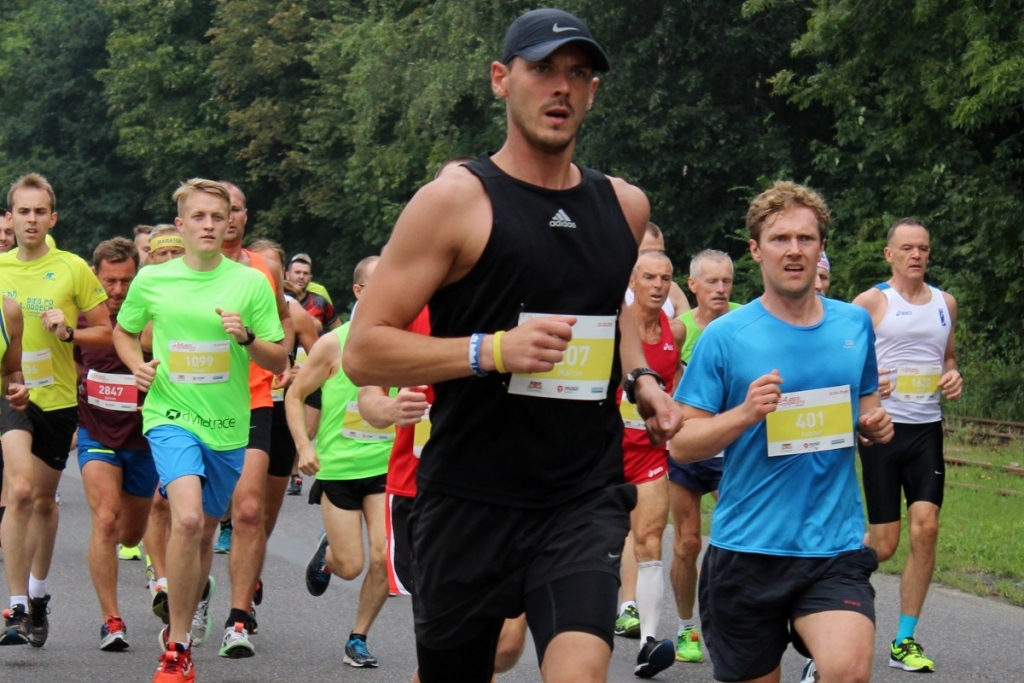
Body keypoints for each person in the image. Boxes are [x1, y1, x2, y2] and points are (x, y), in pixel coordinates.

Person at [343, 9, 680, 682]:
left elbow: (608, 311)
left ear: (592, 92)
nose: (561, 87)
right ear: (502, 79)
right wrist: (490, 351)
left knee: (581, 670)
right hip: (470, 497)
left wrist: (642, 380)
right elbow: (364, 351)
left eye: (578, 74)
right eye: (543, 69)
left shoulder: (624, 207)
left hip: (580, 494)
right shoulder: (455, 201)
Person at [669, 180, 893, 683]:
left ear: (821, 248)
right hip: (748, 548)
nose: (794, 250)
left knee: (849, 672)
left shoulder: (854, 325)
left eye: (806, 238)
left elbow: (867, 408)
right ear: (755, 250)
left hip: (833, 546)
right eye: (779, 239)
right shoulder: (726, 336)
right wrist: (744, 414)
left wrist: (875, 425)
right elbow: (681, 443)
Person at [113, 178, 286, 683]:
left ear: (230, 222)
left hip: (228, 425)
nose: (209, 225)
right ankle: (178, 646)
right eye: (199, 217)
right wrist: (137, 366)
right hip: (170, 415)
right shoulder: (154, 279)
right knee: (186, 519)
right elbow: (124, 330)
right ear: (182, 225)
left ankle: (188, 608)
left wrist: (247, 338)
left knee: (206, 529)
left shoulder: (251, 282)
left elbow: (278, 358)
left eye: (218, 216)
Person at [0, 173, 112, 647]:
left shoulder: (72, 268)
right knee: (21, 490)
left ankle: (39, 593)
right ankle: (15, 607)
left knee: (44, 501)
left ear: (53, 218)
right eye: (23, 212)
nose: (31, 220)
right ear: (10, 218)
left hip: (58, 397)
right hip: (9, 394)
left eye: (39, 212)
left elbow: (106, 333)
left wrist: (69, 332)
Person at [852, 218, 961, 674]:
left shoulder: (945, 303)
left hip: (926, 430)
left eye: (923, 248)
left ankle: (904, 640)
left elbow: (948, 358)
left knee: (926, 527)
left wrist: (953, 375)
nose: (916, 255)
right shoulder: (871, 302)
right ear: (889, 254)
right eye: (907, 248)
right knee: (884, 544)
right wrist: (865, 382)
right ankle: (832, 580)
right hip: (883, 431)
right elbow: (840, 358)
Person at [286, 255, 391, 668]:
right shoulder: (334, 343)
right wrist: (304, 447)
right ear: (359, 291)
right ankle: (329, 552)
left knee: (384, 557)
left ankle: (358, 638)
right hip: (339, 468)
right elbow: (295, 395)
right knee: (350, 567)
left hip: (386, 468)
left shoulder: (405, 341)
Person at [214, 180, 294, 658]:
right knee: (199, 516)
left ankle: (238, 618)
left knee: (248, 510)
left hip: (253, 398)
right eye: (219, 210)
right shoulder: (182, 270)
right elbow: (141, 331)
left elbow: (282, 322)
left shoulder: (263, 268)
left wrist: (280, 356)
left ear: (244, 217)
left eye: (237, 209)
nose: (228, 218)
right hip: (197, 400)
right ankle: (189, 593)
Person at [75, 237, 156, 651]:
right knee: (105, 520)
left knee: (129, 533)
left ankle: (148, 562)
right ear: (95, 276)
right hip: (97, 432)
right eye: (110, 281)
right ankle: (111, 619)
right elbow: (72, 364)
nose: (118, 290)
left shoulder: (150, 316)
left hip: (143, 439)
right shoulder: (82, 318)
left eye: (126, 280)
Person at [666, 248, 740, 665]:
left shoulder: (745, 322)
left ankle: (734, 622)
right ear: (692, 285)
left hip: (730, 446)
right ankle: (685, 627)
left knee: (738, 535)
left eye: (727, 281)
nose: (721, 289)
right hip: (687, 445)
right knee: (688, 541)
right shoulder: (680, 330)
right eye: (712, 281)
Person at [614, 250, 684, 677]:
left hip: (649, 453)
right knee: (595, 542)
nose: (658, 285)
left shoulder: (676, 331)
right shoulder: (613, 327)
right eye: (650, 277)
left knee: (651, 538)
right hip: (604, 453)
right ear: (632, 281)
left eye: (665, 278)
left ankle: (649, 642)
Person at [623, 222, 691, 316]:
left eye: (660, 253)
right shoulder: (613, 292)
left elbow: (689, 324)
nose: (655, 258)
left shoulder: (672, 290)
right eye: (647, 253)